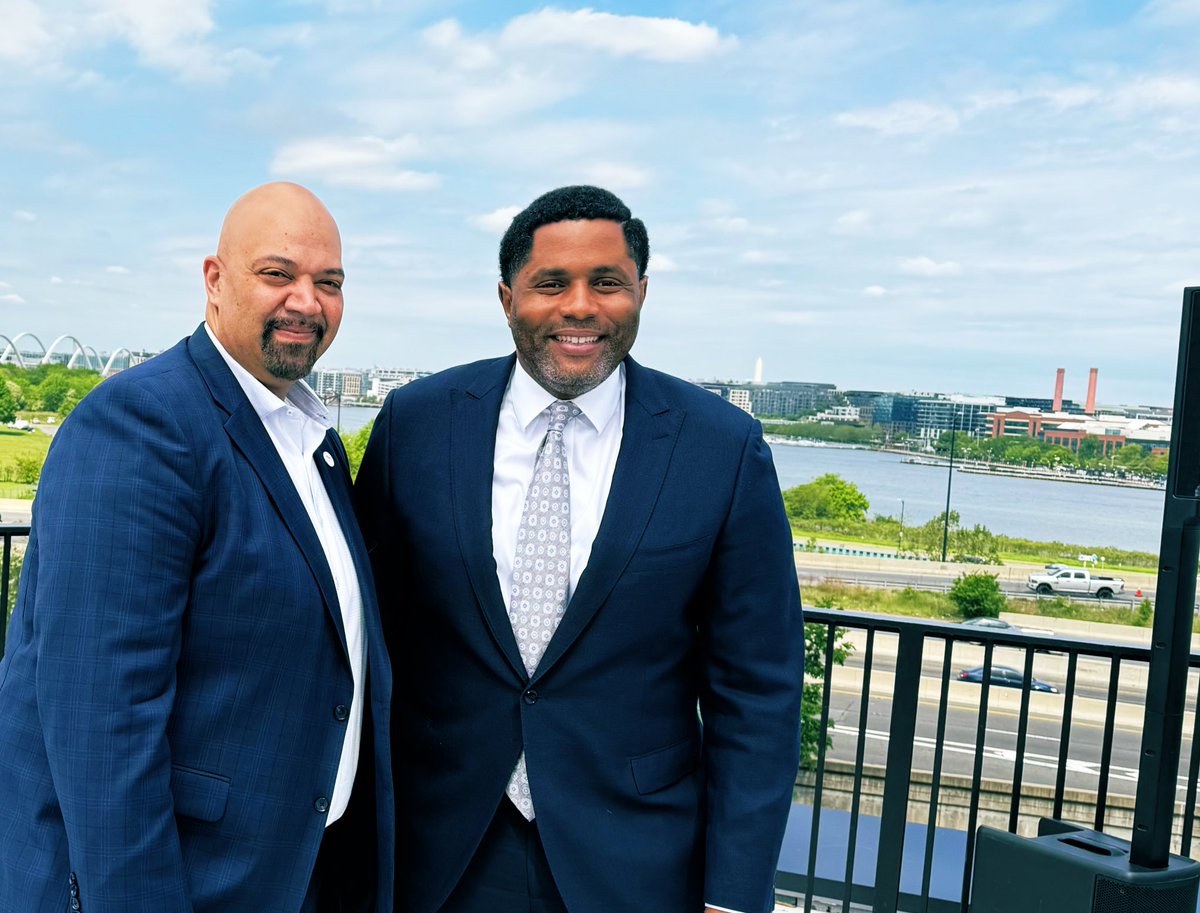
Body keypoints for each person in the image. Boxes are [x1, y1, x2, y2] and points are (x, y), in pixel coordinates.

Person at [355, 185, 803, 913]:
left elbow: (757, 689)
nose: (580, 306)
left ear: (642, 292)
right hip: (438, 852)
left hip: (636, 862)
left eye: (607, 282)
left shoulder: (720, 447)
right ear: (507, 298)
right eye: (551, 283)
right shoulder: (417, 423)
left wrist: (733, 893)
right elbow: (372, 638)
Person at [0, 182, 394, 913]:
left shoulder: (314, 443)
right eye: (278, 273)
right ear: (214, 280)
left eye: (329, 282)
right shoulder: (142, 425)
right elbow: (102, 724)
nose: (307, 302)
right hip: (186, 880)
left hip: (288, 868)